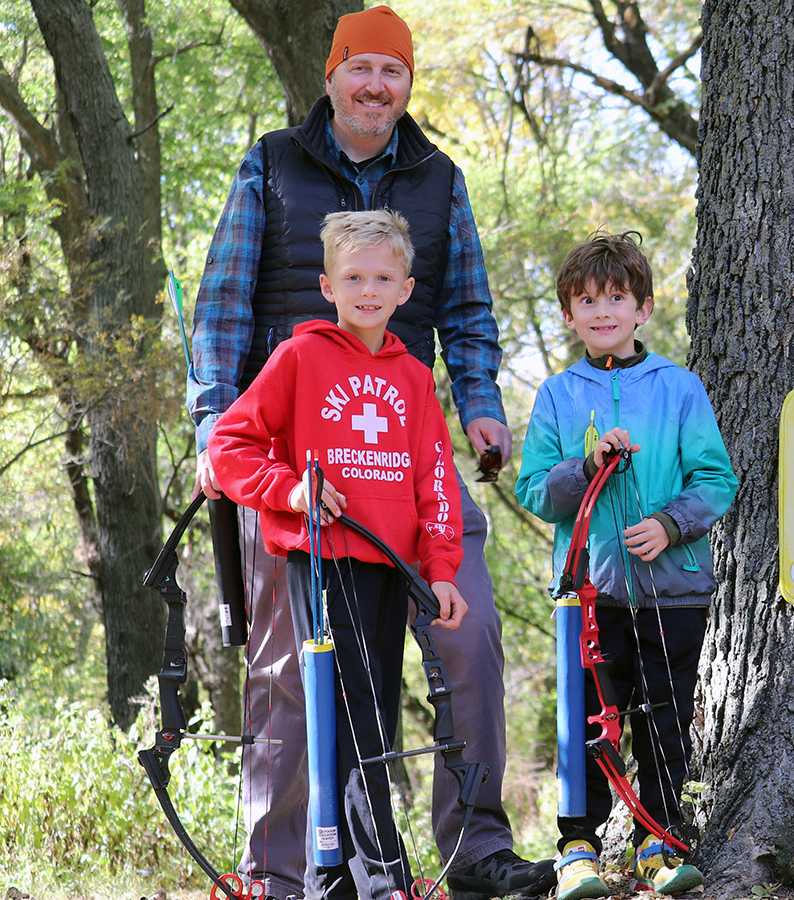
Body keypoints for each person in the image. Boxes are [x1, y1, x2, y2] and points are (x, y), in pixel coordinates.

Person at [187, 7, 553, 897]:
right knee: (287, 666)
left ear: (408, 85)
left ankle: (475, 849)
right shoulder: (271, 166)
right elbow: (222, 305)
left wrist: (480, 409)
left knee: (469, 638)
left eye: (394, 71)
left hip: (409, 458)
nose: (376, 87)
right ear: (332, 75)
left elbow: (467, 312)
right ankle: (281, 870)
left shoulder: (439, 179)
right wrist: (214, 428)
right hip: (297, 468)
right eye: (362, 69)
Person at [208, 210, 468, 899]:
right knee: (346, 707)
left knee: (373, 713)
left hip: (390, 568)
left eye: (383, 277)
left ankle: (348, 879)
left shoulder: (413, 378)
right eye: (353, 277)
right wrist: (291, 490)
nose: (368, 290)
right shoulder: (299, 357)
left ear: (407, 289)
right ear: (326, 285)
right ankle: (374, 876)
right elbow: (230, 447)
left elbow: (435, 481)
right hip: (321, 560)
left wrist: (441, 571)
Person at [515, 231, 737, 898]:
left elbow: (717, 480)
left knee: (664, 721)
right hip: (591, 597)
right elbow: (533, 490)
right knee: (586, 720)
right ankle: (578, 849)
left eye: (617, 298)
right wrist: (583, 468)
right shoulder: (557, 395)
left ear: (643, 308)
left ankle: (660, 843)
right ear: (567, 315)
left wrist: (670, 525)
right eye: (587, 300)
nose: (602, 311)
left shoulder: (678, 388)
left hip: (675, 593)